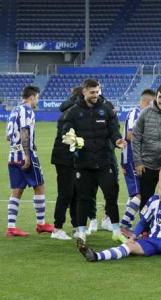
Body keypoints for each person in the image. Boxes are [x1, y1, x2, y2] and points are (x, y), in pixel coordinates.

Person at [76, 172, 161, 266]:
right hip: (151, 241)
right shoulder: (154, 200)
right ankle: (96, 256)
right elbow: (143, 221)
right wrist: (133, 236)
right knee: (128, 246)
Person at [60, 79, 125, 242]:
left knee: (111, 196)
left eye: (97, 92)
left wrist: (117, 141)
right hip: (84, 163)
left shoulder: (106, 110)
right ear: (84, 92)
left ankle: (116, 230)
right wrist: (74, 140)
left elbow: (113, 130)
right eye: (92, 92)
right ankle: (81, 231)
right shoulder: (73, 112)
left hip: (104, 161)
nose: (95, 95)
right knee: (84, 198)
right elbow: (65, 132)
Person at [5, 85, 54, 237]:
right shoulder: (27, 110)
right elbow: (25, 131)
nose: (37, 101)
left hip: (13, 156)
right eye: (37, 98)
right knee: (39, 186)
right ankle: (41, 224)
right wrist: (27, 153)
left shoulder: (14, 110)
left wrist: (28, 144)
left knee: (17, 190)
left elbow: (8, 136)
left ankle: (11, 227)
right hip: (26, 155)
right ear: (32, 97)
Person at [119, 89, 155, 236]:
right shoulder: (136, 113)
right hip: (132, 158)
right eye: (154, 103)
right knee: (139, 194)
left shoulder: (146, 114)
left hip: (140, 158)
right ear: (147, 102)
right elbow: (130, 135)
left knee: (138, 194)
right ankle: (124, 225)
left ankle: (142, 226)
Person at [50, 88, 82, 240]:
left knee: (75, 192)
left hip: (71, 158)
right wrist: (82, 143)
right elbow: (66, 137)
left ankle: (76, 227)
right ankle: (57, 228)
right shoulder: (70, 114)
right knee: (66, 193)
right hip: (64, 158)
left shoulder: (72, 112)